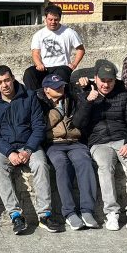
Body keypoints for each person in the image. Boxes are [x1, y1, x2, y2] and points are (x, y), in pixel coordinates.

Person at [0, 65, 61, 234]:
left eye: (6, 80)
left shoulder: (29, 96)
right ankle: (16, 215)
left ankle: (45, 215)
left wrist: (27, 149)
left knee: (41, 164)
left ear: (12, 78)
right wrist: (9, 152)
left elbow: (39, 126)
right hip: (6, 148)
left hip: (29, 144)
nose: (4, 85)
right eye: (0, 82)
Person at [76, 60, 127, 231]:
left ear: (115, 80)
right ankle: (111, 213)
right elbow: (78, 123)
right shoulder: (86, 94)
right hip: (98, 142)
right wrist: (88, 102)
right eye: (102, 80)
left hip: (122, 139)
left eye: (110, 81)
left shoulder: (125, 95)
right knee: (104, 166)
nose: (106, 84)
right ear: (95, 79)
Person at [36, 73, 98, 231]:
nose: (61, 88)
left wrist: (86, 94)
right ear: (47, 89)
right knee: (61, 165)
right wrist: (57, 112)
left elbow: (82, 116)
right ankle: (69, 212)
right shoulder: (39, 102)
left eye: (62, 85)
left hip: (75, 141)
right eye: (56, 87)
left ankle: (87, 210)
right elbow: (40, 126)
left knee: (84, 162)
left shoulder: (72, 97)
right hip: (53, 143)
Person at [22, 4, 85, 91]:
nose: (53, 22)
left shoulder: (69, 32)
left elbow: (81, 50)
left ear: (60, 19)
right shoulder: (39, 34)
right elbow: (35, 53)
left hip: (62, 67)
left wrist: (74, 64)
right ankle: (36, 97)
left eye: (56, 20)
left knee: (60, 76)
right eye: (50, 19)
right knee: (29, 73)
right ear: (45, 19)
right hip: (45, 68)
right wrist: (39, 64)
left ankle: (60, 100)